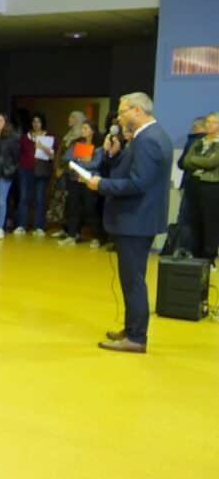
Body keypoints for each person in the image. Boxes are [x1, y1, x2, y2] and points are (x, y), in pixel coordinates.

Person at [86, 92, 172, 353]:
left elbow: (138, 183)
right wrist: (113, 156)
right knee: (132, 278)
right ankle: (132, 327)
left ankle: (136, 337)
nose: (119, 117)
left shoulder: (148, 140)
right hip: (139, 218)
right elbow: (131, 171)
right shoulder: (150, 136)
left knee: (133, 280)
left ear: (137, 110)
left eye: (122, 111)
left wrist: (101, 184)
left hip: (136, 219)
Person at [180, 111, 219, 263]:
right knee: (193, 221)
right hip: (193, 184)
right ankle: (195, 256)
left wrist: (195, 161)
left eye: (213, 122)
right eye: (207, 122)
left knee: (210, 221)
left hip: (211, 186)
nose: (209, 125)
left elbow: (212, 163)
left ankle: (209, 257)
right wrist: (200, 161)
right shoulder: (198, 142)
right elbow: (185, 161)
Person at [59, 121, 105, 247]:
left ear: (92, 131)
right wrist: (80, 159)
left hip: (89, 181)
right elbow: (66, 158)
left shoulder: (98, 147)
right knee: (73, 207)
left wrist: (78, 162)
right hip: (75, 179)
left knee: (90, 208)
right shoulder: (77, 144)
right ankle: (72, 235)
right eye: (82, 128)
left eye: (85, 128)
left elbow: (96, 163)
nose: (83, 130)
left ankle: (97, 237)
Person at [14, 113, 54, 237]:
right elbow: (18, 152)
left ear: (42, 123)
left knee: (40, 198)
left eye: (38, 121)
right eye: (34, 121)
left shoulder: (49, 137)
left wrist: (42, 147)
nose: (36, 124)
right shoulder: (25, 137)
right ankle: (21, 225)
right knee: (24, 197)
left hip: (41, 170)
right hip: (26, 170)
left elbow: (52, 155)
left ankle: (39, 226)